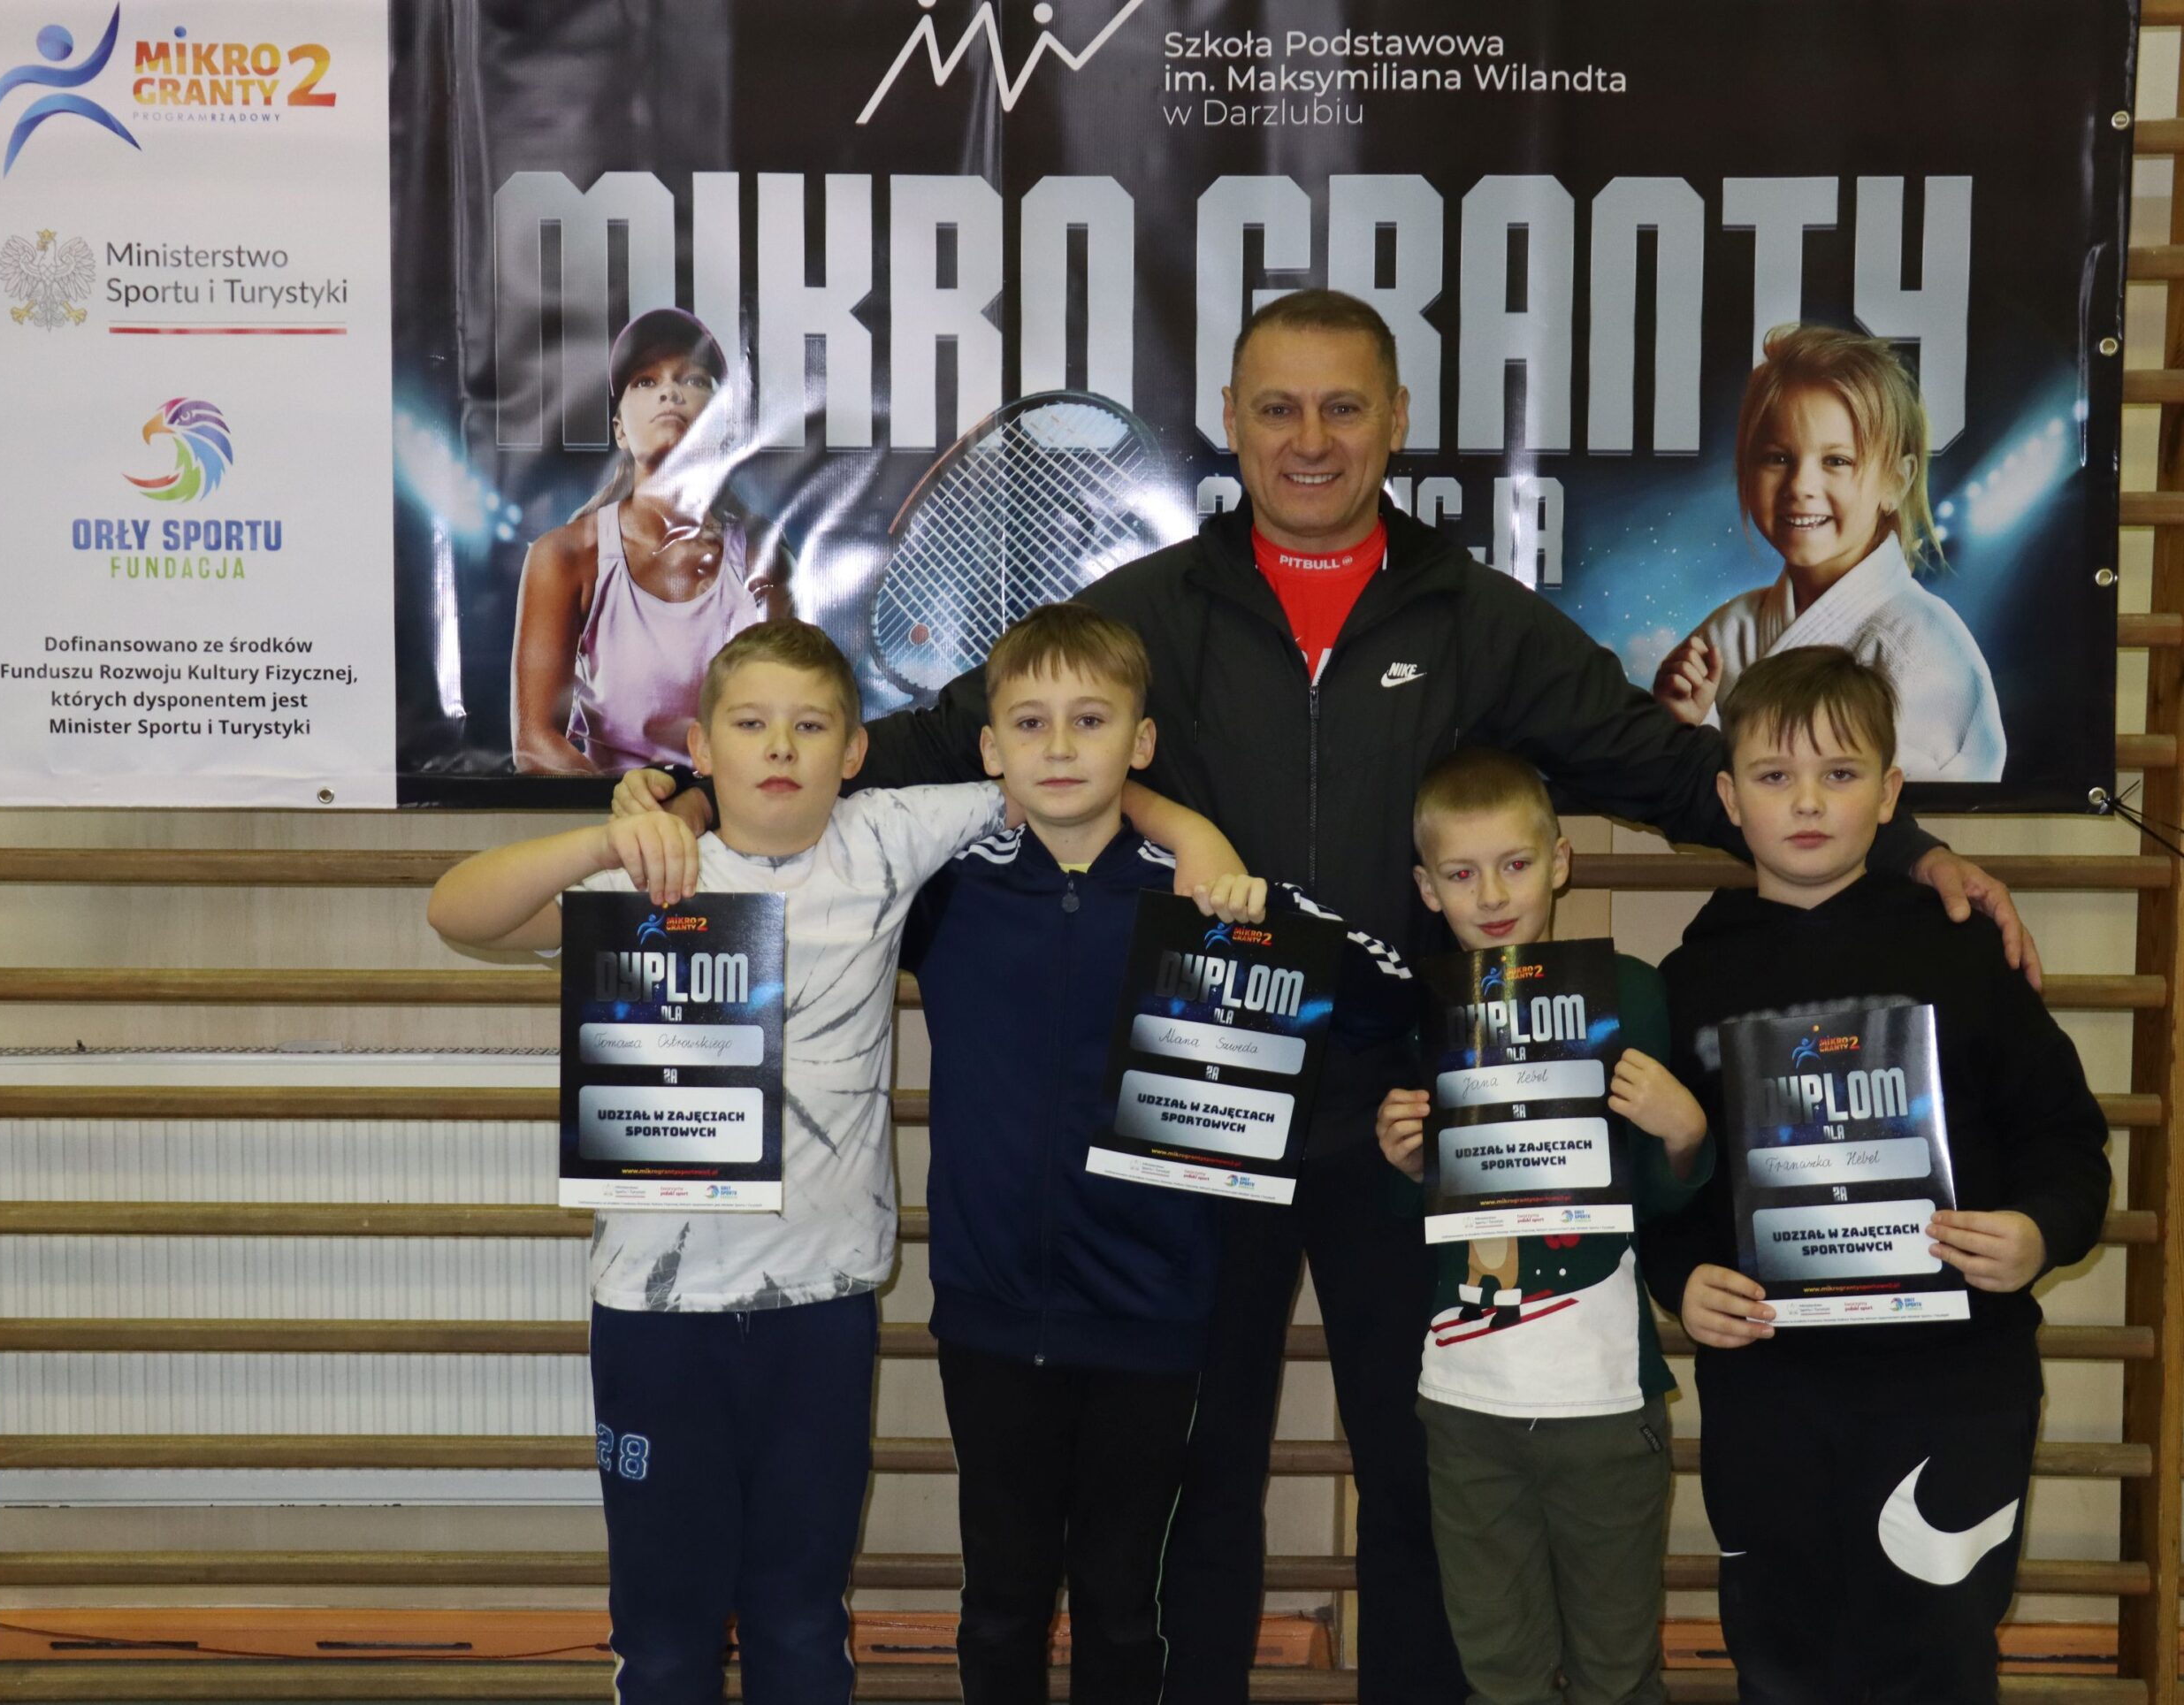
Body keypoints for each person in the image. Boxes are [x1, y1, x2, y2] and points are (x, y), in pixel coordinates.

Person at [613, 291, 2039, 1704]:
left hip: (1407, 1110)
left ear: (1395, 420)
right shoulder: (1145, 612)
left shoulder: (1471, 614)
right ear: (1232, 422)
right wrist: (689, 794)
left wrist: (1906, 850)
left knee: (1421, 1470)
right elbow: (924, 743)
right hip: (1199, 1109)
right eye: (1279, 408)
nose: (1310, 438)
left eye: (1343, 407)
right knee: (1204, 1476)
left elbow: (1668, 765)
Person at [430, 620, 1249, 1703]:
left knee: (801, 1622)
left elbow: (1057, 776)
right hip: (654, 1311)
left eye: (811, 726)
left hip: (822, 1304)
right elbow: (457, 910)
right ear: (700, 746)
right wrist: (609, 838)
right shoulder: (650, 869)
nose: (781, 747)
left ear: (854, 752)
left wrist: (1194, 833)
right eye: (750, 724)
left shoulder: (889, 834)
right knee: (665, 1632)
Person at [1639, 646, 2110, 1703]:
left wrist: (2038, 1230)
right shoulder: (1690, 979)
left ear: (1891, 793)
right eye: (1773, 775)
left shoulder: (1961, 955)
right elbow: (1668, 1180)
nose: (1807, 801)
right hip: (1771, 1393)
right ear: (1728, 798)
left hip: (1953, 1386)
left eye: (1840, 773)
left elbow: (2065, 1139)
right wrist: (1682, 1277)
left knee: (1937, 1658)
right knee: (1783, 1661)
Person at [905, 601, 1256, 1705]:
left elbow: (1370, 998)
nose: (1059, 745)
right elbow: (798, 842)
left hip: (1151, 1313)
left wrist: (1199, 847)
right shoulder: (942, 891)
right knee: (1000, 1603)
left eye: (1090, 719)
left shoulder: (1204, 900)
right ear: (990, 747)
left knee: (1118, 1606)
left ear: (1140, 742)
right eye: (1031, 721)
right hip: (988, 1311)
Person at [1375, 747, 1710, 1705]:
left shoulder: (1632, 994)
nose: (1490, 894)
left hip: (1603, 1397)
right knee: (1499, 1672)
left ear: (1559, 862)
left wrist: (1686, 1131)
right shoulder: (1424, 1017)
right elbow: (1414, 1219)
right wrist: (1403, 1161)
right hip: (1465, 1399)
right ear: (1426, 887)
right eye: (1460, 872)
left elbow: (1665, 1201)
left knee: (1617, 1671)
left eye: (1514, 864)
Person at [1653, 323, 2005, 782]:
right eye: (1778, 458)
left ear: (1895, 482)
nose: (1800, 486)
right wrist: (1683, 725)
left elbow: (1922, 815)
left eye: (1837, 461)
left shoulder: (1925, 652)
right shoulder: (1727, 635)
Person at [510, 307, 793, 776]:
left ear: (724, 424)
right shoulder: (564, 556)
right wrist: (633, 808)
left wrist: (704, 808)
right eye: (645, 381)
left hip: (729, 810)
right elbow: (535, 744)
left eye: (694, 380)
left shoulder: (763, 557)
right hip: (607, 812)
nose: (669, 392)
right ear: (620, 429)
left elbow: (788, 719)